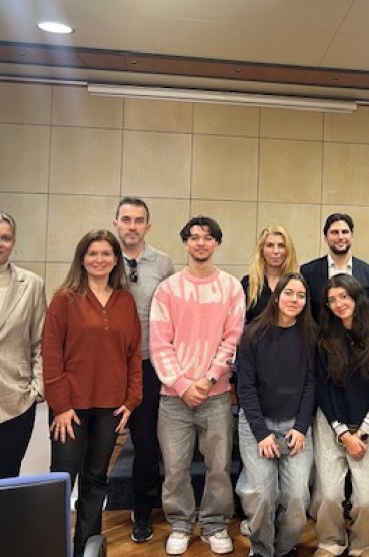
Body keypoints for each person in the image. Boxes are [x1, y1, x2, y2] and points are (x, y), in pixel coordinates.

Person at [43, 229, 142, 557]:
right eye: (93, 253)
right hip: (70, 408)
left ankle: (86, 546)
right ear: (82, 259)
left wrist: (131, 399)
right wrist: (60, 406)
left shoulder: (125, 301)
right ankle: (54, 546)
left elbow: (133, 354)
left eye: (106, 254)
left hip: (110, 407)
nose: (99, 259)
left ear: (116, 260)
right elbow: (51, 354)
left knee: (96, 479)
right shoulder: (64, 299)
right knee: (63, 478)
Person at [150, 216, 245, 556]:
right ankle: (180, 523)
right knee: (175, 468)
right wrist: (182, 384)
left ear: (217, 243)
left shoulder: (231, 287)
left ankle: (215, 524)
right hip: (174, 398)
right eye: (194, 237)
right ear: (185, 243)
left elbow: (232, 339)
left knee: (218, 466)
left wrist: (208, 379)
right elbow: (159, 343)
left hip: (215, 396)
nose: (201, 243)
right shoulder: (168, 289)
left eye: (207, 237)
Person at [312, 274, 369, 557]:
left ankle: (364, 544)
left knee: (366, 499)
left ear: (356, 297)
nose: (339, 304)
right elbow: (323, 390)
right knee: (328, 495)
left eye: (343, 297)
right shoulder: (324, 338)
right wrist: (343, 434)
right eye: (332, 300)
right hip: (332, 423)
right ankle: (330, 541)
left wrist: (363, 431)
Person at [236, 273, 316, 557]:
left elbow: (311, 384)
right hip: (258, 425)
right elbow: (245, 388)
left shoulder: (310, 335)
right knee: (261, 495)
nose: (295, 300)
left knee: (297, 498)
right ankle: (261, 550)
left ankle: (283, 548)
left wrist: (301, 427)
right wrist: (262, 434)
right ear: (277, 296)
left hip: (295, 426)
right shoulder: (252, 334)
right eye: (289, 293)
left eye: (301, 295)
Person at [113, 197, 175, 543]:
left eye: (139, 220)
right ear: (116, 224)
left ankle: (142, 511)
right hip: (108, 366)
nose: (132, 226)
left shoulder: (163, 263)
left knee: (146, 444)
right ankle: (89, 514)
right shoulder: (103, 257)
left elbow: (173, 313)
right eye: (126, 219)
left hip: (148, 364)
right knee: (100, 442)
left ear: (147, 226)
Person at [0, 211, 46, 478]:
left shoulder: (31, 284)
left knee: (7, 476)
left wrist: (37, 389)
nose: (1, 243)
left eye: (6, 238)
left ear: (14, 242)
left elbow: (40, 341)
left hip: (16, 400)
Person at [300, 213, 369, 322]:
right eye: (334, 232)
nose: (340, 237)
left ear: (352, 236)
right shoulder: (308, 272)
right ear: (326, 238)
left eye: (345, 232)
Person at [242, 226, 299, 323]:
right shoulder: (249, 283)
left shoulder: (297, 284)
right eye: (270, 245)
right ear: (262, 250)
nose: (276, 251)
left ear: (288, 250)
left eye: (281, 246)